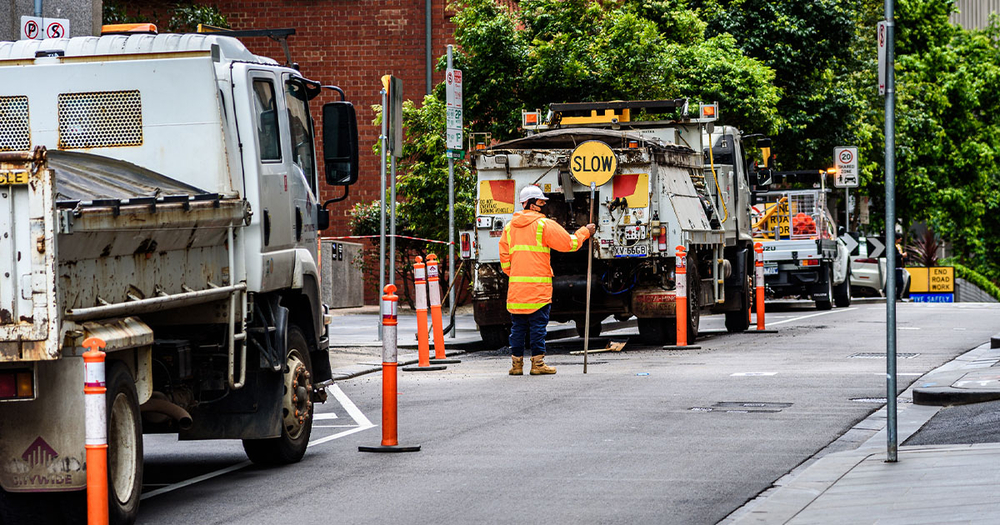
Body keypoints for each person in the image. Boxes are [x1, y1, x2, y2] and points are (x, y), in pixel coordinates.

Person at [499, 185, 596, 376]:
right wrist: (585, 231)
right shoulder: (543, 225)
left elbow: (505, 262)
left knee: (517, 328)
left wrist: (519, 274)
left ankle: (516, 365)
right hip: (538, 289)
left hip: (517, 290)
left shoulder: (509, 228)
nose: (543, 206)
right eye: (541, 202)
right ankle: (538, 364)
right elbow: (570, 244)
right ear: (532, 204)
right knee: (537, 327)